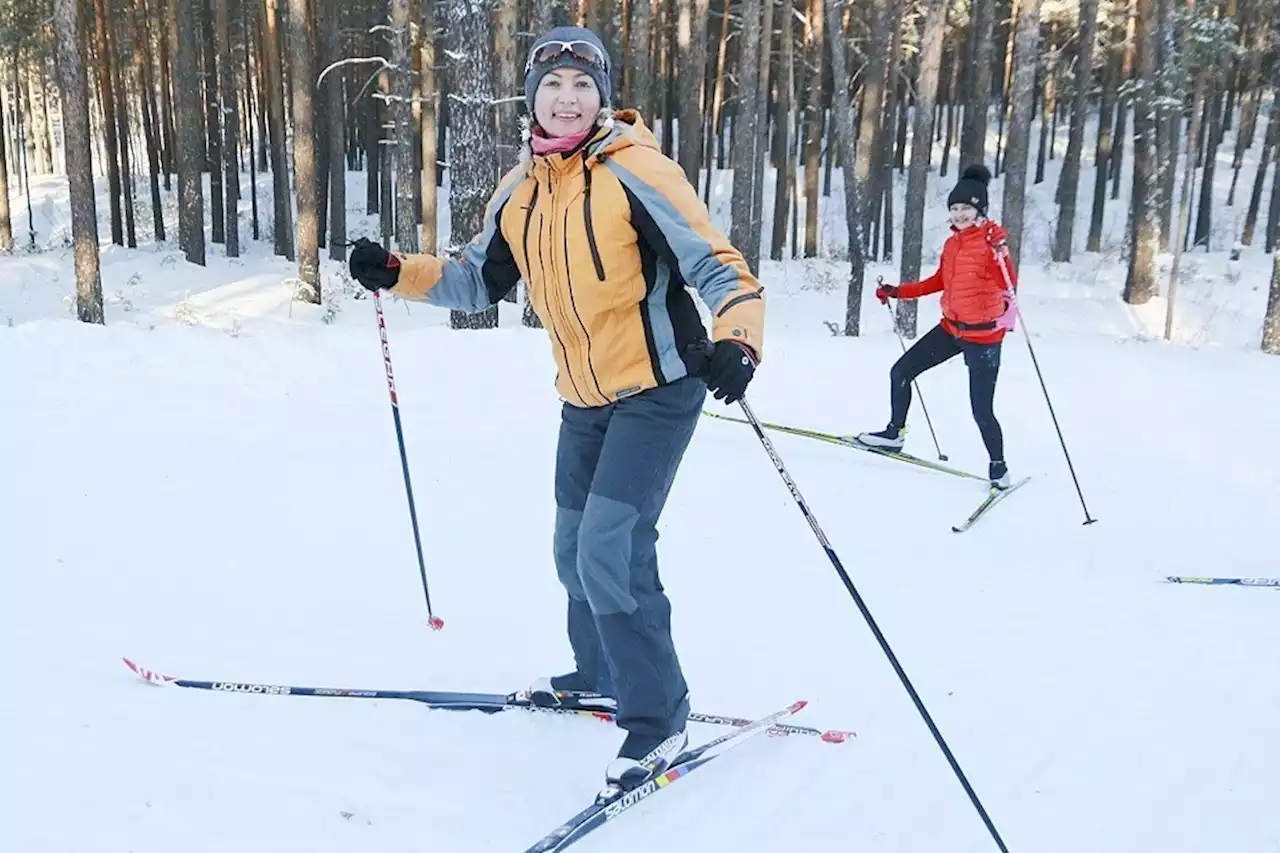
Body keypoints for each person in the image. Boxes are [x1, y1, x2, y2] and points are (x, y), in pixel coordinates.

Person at [345, 26, 765, 795]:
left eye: (582, 85)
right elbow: (476, 280)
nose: (567, 99)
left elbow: (718, 264)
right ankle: (600, 673)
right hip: (584, 397)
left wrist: (739, 338)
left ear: (602, 96)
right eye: (552, 85)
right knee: (573, 547)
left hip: (659, 387)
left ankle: (658, 714)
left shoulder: (639, 171)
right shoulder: (524, 188)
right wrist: (398, 271)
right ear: (532, 99)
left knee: (611, 546)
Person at [857, 164, 1018, 489]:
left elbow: (1009, 285)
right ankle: (894, 434)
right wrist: (897, 291)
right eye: (955, 208)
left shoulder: (991, 245)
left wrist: (1001, 250)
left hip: (983, 337)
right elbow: (937, 282)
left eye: (966, 208)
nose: (959, 214)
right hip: (951, 329)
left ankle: (999, 467)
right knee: (901, 372)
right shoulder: (952, 244)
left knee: (981, 410)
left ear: (979, 210)